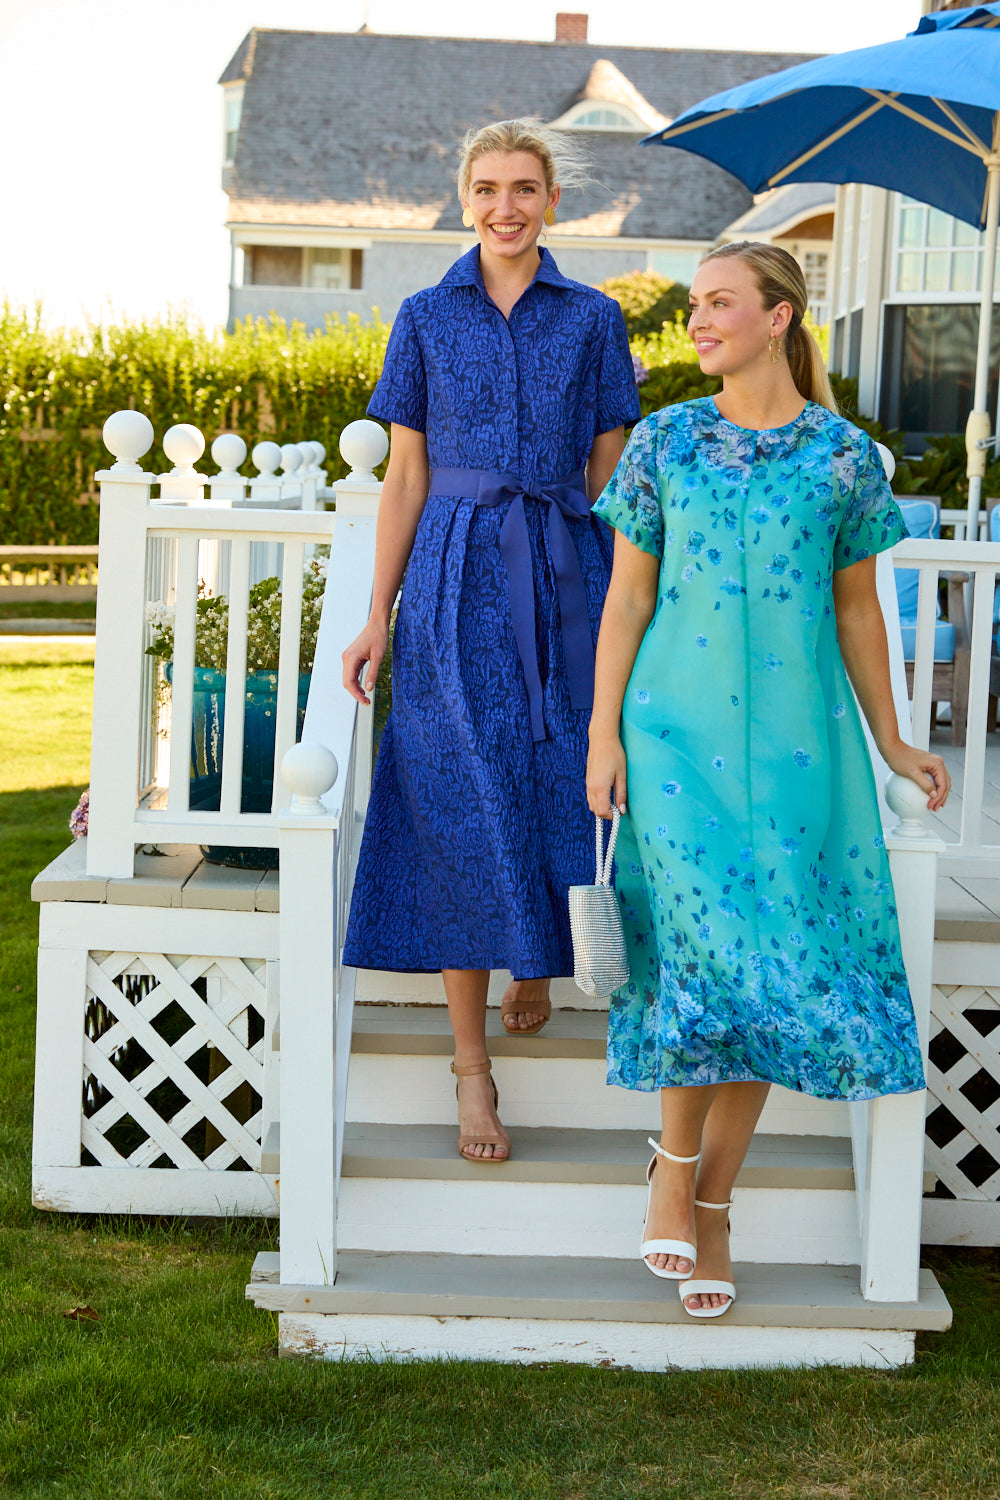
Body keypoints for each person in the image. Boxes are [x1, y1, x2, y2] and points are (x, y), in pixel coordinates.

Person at [586, 240, 950, 1318]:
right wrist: (602, 732)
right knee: (701, 955)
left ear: (779, 317)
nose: (698, 321)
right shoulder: (663, 441)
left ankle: (710, 1204)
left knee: (772, 969)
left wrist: (893, 741)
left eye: (719, 303)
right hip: (671, 740)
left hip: (798, 749)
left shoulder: (844, 458)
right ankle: (673, 1170)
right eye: (695, 304)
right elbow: (626, 600)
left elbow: (856, 610)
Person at [342, 118, 639, 1163]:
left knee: (558, 771)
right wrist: (376, 614)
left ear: (552, 200)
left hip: (564, 569)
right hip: (451, 575)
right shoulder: (424, 316)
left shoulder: (594, 318)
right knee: (456, 795)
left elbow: (610, 470)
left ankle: (535, 958)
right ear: (463, 198)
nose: (504, 206)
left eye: (523, 188)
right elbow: (405, 477)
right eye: (486, 188)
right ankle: (471, 1069)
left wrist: (611, 585)